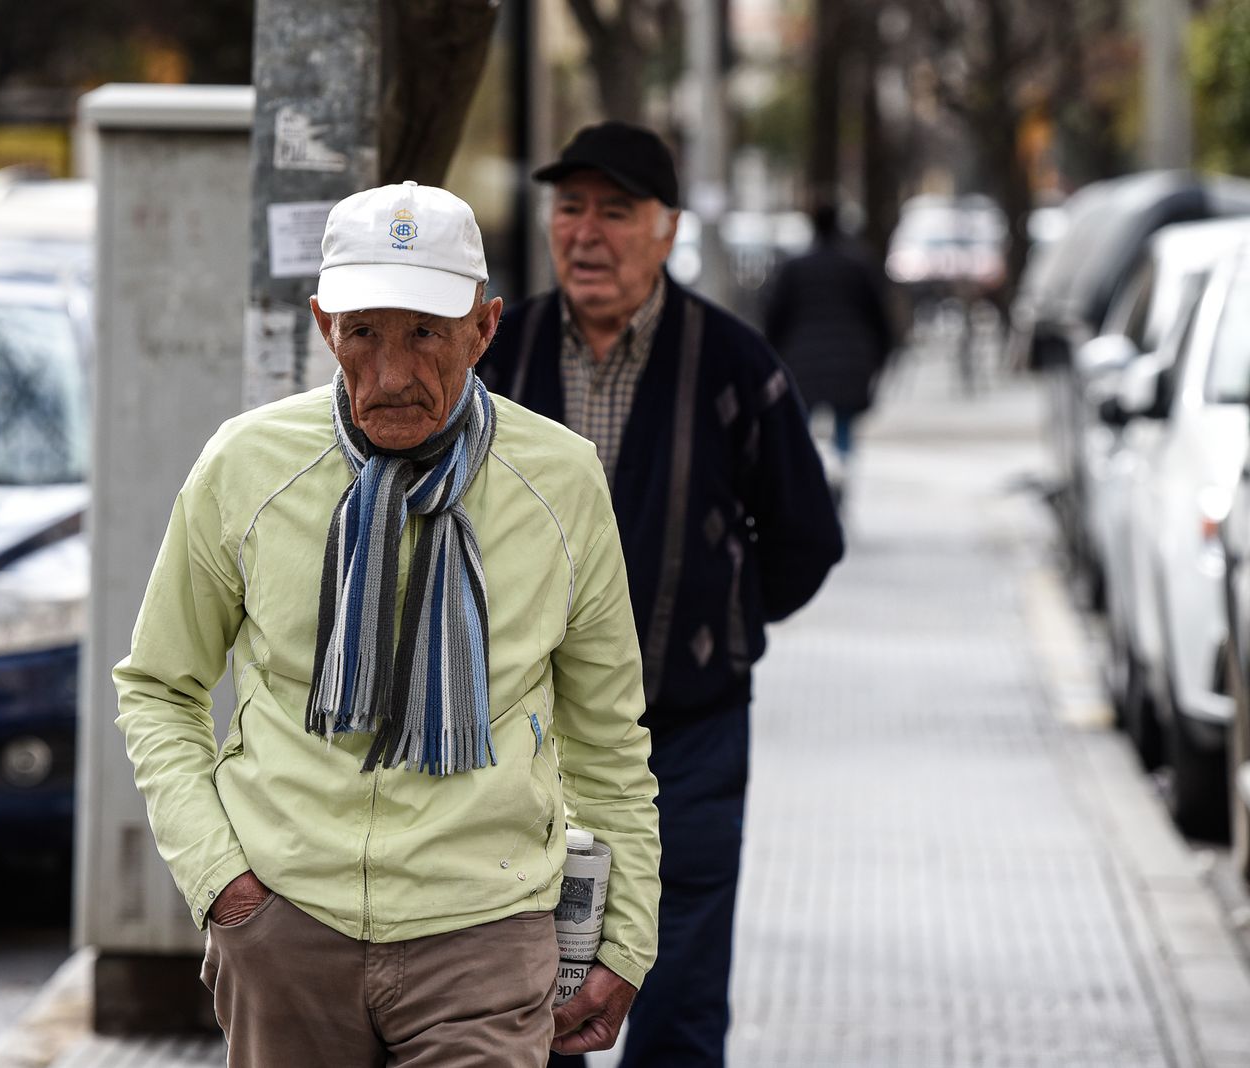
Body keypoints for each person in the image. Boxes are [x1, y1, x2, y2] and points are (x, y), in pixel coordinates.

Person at [114, 180, 661, 1067]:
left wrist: (625, 939)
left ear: (484, 330)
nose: (394, 372)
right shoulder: (245, 466)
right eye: (365, 332)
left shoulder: (562, 482)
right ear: (325, 324)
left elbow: (608, 736)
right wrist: (224, 885)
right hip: (286, 928)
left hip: (486, 934)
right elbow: (158, 686)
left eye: (426, 334)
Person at [479, 122, 844, 1067]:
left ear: (668, 228)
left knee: (675, 990)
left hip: (685, 732)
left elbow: (806, 536)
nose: (587, 234)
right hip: (520, 741)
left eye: (616, 211)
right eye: (570, 209)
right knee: (521, 988)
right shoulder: (497, 355)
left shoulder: (733, 365)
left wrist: (717, 624)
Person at [763, 201, 895, 489]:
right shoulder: (859, 265)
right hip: (851, 362)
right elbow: (879, 315)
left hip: (802, 361)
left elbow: (775, 317)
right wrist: (882, 356)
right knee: (844, 428)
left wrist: (774, 356)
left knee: (800, 429)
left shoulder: (795, 268)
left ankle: (808, 484)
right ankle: (839, 482)